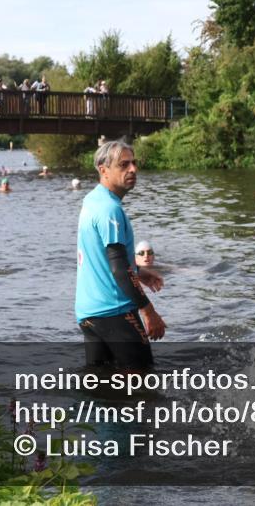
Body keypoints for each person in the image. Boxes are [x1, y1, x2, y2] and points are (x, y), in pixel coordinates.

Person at [76, 140, 166, 369]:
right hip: (115, 311)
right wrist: (149, 311)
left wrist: (139, 271)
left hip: (89, 313)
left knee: (104, 389)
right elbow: (118, 268)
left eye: (134, 163)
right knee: (143, 384)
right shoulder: (110, 209)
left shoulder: (92, 200)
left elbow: (104, 258)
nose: (133, 169)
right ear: (103, 170)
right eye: (124, 165)